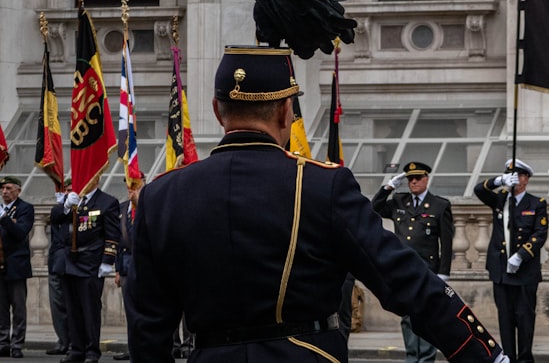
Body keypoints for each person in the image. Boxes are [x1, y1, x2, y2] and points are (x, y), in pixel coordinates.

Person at [127, 45, 508, 363]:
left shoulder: (161, 196)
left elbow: (147, 325)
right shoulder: (321, 185)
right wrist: (483, 354)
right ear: (285, 112)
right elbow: (403, 279)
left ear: (216, 109)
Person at [372, 161, 455, 363]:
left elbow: (447, 241)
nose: (414, 182)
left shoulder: (439, 205)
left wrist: (443, 272)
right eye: (410, 179)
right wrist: (388, 187)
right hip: (404, 270)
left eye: (418, 178)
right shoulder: (400, 202)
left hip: (427, 270)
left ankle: (426, 359)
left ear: (427, 178)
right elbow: (373, 209)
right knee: (408, 317)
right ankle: (412, 357)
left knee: (427, 316)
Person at [473, 159, 548, 363]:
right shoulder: (501, 199)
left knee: (524, 319)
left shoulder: (536, 203)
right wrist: (498, 181)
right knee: (505, 319)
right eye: (510, 175)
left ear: (526, 179)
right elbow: (478, 190)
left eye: (517, 175)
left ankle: (524, 359)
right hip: (501, 271)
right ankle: (508, 358)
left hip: (524, 272)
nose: (514, 179)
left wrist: (521, 255)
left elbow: (540, 234)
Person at [51, 181, 121, 363]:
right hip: (69, 262)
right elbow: (55, 217)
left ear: (95, 179)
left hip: (90, 262)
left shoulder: (107, 202)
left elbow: (112, 235)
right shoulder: (72, 199)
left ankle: (91, 350)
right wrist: (65, 206)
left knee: (90, 309)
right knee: (72, 309)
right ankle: (76, 348)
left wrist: (107, 261)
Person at [0, 176, 34, 359]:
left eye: (8, 187)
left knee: (18, 308)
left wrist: (4, 219)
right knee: (1, 308)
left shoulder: (25, 209)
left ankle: (17, 344)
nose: (4, 191)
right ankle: (3, 342)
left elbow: (20, 232)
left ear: (18, 190)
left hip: (16, 264)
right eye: (3, 188)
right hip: (0, 264)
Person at [113, 180, 142, 361]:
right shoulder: (123, 208)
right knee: (130, 311)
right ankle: (133, 348)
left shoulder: (149, 205)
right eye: (128, 184)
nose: (130, 188)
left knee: (145, 310)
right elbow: (117, 241)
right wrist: (117, 269)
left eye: (135, 184)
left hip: (145, 265)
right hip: (125, 264)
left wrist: (139, 202)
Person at [46, 179, 72, 356]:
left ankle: (76, 342)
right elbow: (56, 215)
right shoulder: (60, 208)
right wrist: (66, 204)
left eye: (73, 190)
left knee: (74, 307)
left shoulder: (84, 207)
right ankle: (63, 341)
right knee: (58, 306)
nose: (70, 193)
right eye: (67, 190)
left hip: (76, 264)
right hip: (57, 264)